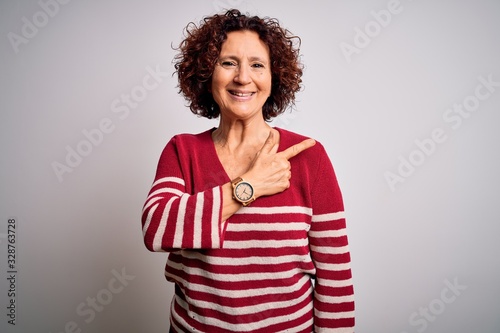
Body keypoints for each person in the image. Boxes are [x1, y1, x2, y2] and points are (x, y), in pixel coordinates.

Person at [141, 9, 355, 333]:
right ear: (206, 73)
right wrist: (249, 186)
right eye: (228, 63)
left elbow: (335, 278)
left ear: (274, 77)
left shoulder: (310, 158)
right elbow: (157, 229)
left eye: (257, 64)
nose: (243, 77)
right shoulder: (183, 151)